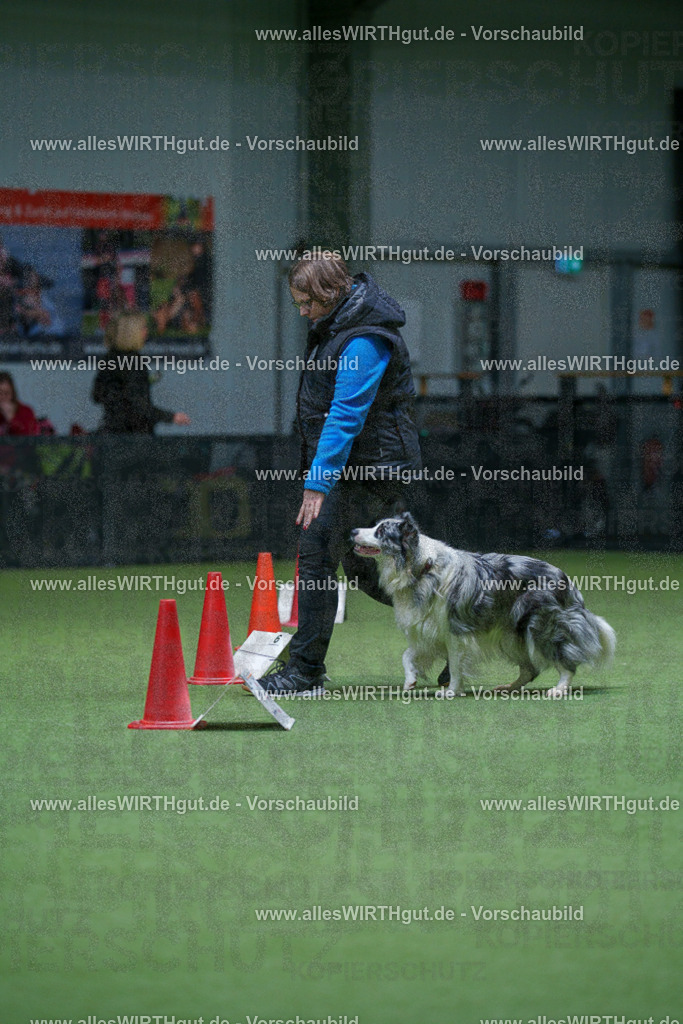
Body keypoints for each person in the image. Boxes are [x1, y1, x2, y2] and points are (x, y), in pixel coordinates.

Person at [261, 253, 422, 695]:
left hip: (371, 471)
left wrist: (317, 483)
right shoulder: (338, 328)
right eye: (297, 302)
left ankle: (305, 671)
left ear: (331, 293)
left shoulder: (365, 340)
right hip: (357, 467)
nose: (302, 312)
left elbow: (345, 416)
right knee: (363, 568)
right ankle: (453, 629)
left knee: (317, 554)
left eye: (307, 302)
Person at [92, 312, 190, 433]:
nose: (146, 332)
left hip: (111, 431)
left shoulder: (109, 358)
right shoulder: (134, 362)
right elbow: (139, 407)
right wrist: (171, 417)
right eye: (143, 328)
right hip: (135, 435)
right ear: (132, 332)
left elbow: (97, 395)